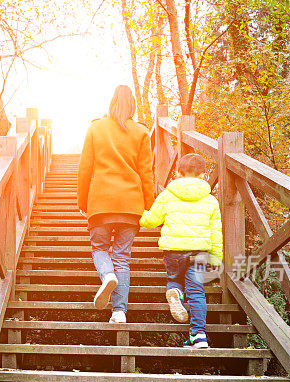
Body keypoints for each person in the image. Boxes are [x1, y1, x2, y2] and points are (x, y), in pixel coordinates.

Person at [77, 85, 154, 323]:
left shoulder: (95, 128)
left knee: (100, 248)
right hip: (131, 205)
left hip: (100, 202)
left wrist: (82, 200)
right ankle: (119, 311)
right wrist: (148, 203)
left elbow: (84, 168)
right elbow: (146, 172)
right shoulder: (141, 132)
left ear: (111, 103)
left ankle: (107, 274)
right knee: (122, 257)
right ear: (132, 105)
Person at [139, 153, 222, 348]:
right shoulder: (211, 200)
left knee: (174, 279)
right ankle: (199, 335)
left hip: (174, 250)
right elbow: (216, 232)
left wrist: (139, 215)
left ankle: (175, 292)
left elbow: (151, 220)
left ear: (178, 171)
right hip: (199, 253)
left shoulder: (167, 195)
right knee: (197, 292)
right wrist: (216, 259)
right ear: (203, 173)